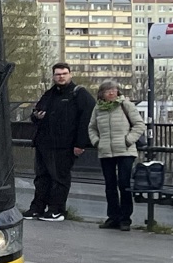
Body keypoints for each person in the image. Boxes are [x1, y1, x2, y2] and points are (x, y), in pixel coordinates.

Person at [27, 63, 94, 221]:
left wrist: (80, 143)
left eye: (64, 73)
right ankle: (37, 208)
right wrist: (37, 116)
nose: (61, 77)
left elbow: (87, 119)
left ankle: (56, 210)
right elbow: (35, 114)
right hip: (44, 143)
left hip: (65, 145)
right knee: (41, 178)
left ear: (70, 75)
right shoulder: (49, 94)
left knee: (59, 178)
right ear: (53, 76)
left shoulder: (79, 93)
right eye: (58, 74)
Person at [89, 80, 147, 231]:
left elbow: (139, 124)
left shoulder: (125, 105)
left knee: (124, 183)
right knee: (110, 185)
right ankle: (113, 217)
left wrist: (128, 140)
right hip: (106, 151)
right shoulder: (98, 108)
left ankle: (125, 219)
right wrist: (97, 142)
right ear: (101, 94)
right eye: (108, 91)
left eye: (114, 90)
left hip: (125, 151)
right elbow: (92, 128)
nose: (111, 93)